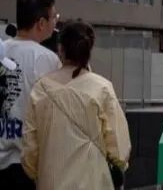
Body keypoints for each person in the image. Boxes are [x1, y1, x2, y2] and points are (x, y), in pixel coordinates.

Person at [22, 21, 130, 190]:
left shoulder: (41, 89)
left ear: (60, 49)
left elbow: (30, 150)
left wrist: (39, 173)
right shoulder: (102, 88)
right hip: (93, 181)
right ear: (88, 50)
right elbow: (119, 149)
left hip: (51, 182)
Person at [0, 0, 61, 189]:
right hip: (26, 164)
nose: (55, 23)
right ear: (41, 23)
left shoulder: (4, 49)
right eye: (53, 17)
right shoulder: (46, 59)